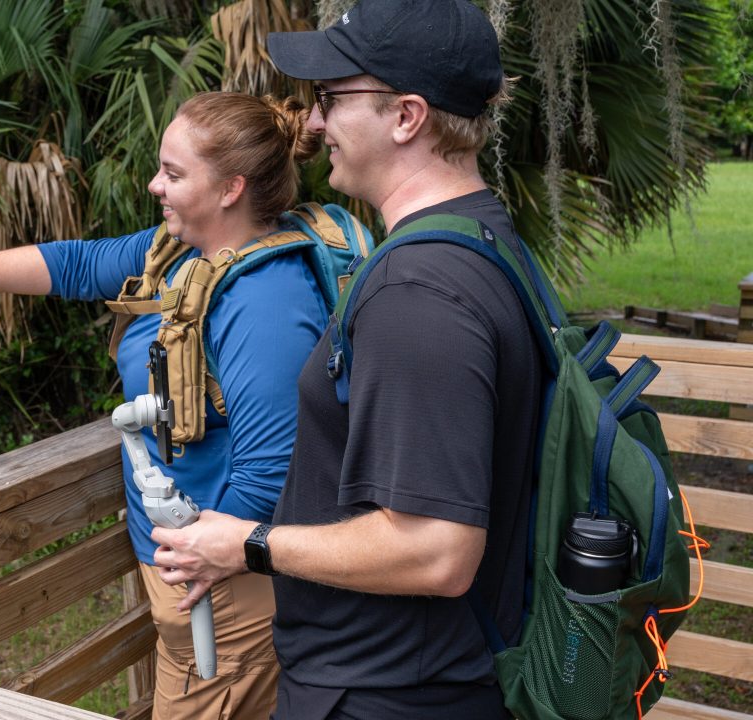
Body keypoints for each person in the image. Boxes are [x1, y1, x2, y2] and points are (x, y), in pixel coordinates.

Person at [0, 91, 332, 719]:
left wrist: (197, 564)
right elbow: (77, 264)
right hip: (185, 576)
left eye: (172, 173)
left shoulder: (265, 303)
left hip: (222, 594)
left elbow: (275, 468)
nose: (152, 184)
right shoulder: (180, 252)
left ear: (230, 189)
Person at [150, 2, 540, 719]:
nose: (316, 123)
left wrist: (250, 544)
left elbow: (437, 551)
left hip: (384, 691)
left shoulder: (417, 293)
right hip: (428, 674)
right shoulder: (485, 239)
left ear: (407, 116)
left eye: (332, 98)